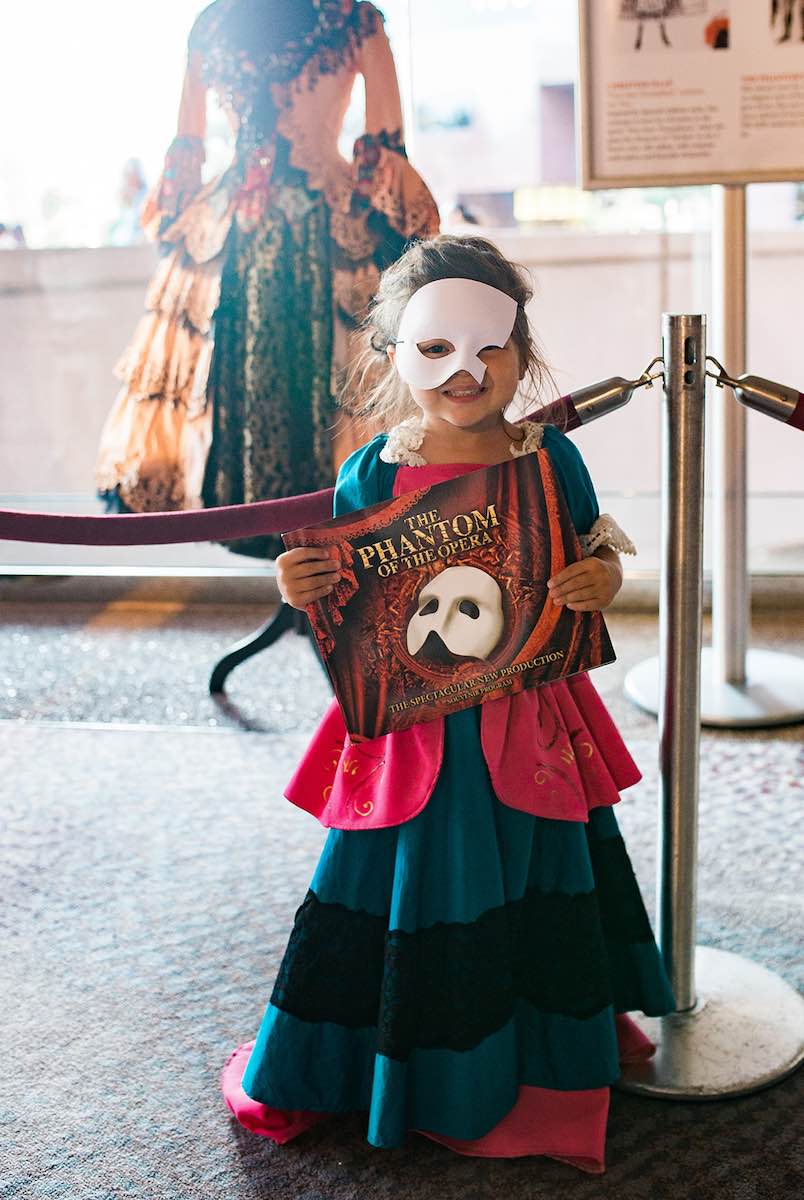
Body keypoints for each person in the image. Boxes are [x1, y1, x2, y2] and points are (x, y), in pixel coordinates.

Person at [220, 235, 675, 1174]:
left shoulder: (551, 459)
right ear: (393, 355)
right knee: (405, 878)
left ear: (521, 351)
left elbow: (595, 553)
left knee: (534, 866)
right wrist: (302, 583)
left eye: (488, 348)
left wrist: (598, 577)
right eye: (435, 349)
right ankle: (376, 1068)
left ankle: (536, 1071)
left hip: (529, 718)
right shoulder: (373, 473)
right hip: (416, 732)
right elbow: (346, 598)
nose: (465, 371)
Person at [95, 0, 438, 558]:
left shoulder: (353, 18)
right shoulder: (219, 21)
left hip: (316, 226)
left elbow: (384, 144)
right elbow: (191, 139)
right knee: (233, 373)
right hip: (238, 236)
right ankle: (265, 527)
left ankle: (321, 532)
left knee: (335, 380)